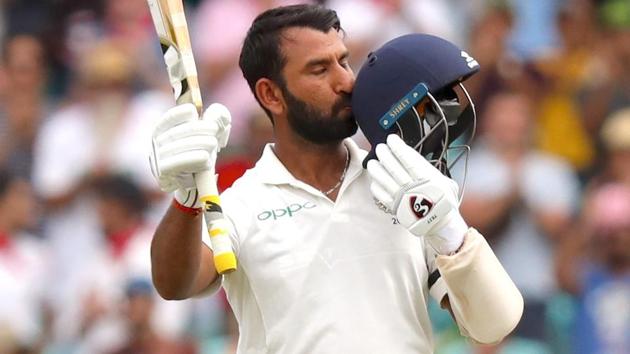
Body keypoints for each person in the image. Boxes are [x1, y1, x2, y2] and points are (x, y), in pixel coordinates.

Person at [149, 4, 522, 353]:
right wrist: (187, 198)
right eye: (319, 69)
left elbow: (493, 326)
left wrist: (451, 231)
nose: (346, 81)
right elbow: (175, 284)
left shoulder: (403, 185)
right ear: (271, 95)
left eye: (344, 61)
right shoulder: (242, 203)